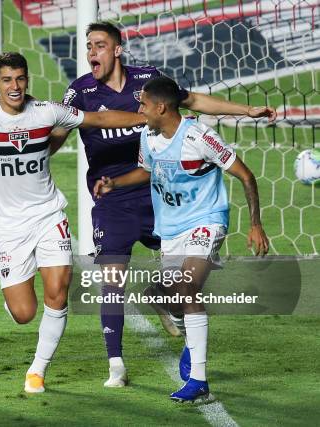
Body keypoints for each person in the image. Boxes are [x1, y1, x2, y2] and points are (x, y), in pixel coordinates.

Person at [49, 21, 277, 387]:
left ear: (118, 49)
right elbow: (59, 129)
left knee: (186, 282)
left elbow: (193, 100)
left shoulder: (148, 82)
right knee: (112, 277)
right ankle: (116, 365)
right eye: (88, 46)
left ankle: (182, 331)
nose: (92, 52)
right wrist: (36, 161)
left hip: (160, 196)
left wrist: (245, 111)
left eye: (100, 45)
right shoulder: (80, 91)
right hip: (112, 198)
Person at [0, 52, 146, 394]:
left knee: (58, 294)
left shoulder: (47, 111)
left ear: (27, 80)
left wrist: (146, 118)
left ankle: (37, 371)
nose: (14, 87)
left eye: (19, 79)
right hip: (9, 229)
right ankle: (13, 297)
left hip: (48, 216)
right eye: (7, 80)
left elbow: (98, 120)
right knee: (24, 312)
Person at [94, 75, 269, 402]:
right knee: (178, 295)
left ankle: (199, 379)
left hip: (206, 219)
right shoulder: (149, 135)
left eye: (144, 104)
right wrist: (115, 183)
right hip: (171, 228)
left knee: (188, 286)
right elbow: (148, 171)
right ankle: (164, 298)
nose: (140, 110)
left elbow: (245, 174)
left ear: (161, 107)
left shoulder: (200, 136)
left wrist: (255, 224)